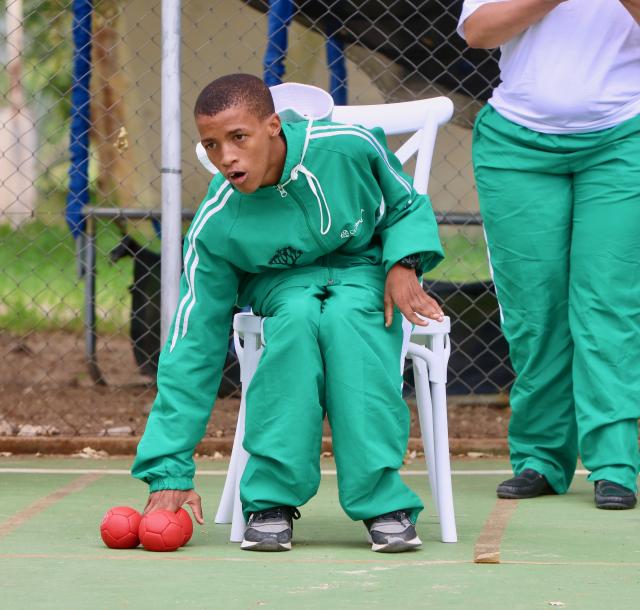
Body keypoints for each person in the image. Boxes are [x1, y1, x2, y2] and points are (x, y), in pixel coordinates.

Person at [131, 74, 445, 551]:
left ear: (273, 126)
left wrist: (405, 264)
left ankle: (383, 501)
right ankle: (270, 501)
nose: (226, 157)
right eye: (211, 145)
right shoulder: (217, 219)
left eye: (239, 138)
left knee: (349, 323)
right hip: (283, 287)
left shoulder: (349, 146)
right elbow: (193, 339)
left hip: (363, 273)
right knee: (297, 324)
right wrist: (168, 470)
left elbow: (405, 205)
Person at [458, 0, 640, 508]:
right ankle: (540, 457)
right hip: (516, 146)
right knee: (534, 310)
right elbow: (478, 30)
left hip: (624, 138)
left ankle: (615, 465)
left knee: (608, 304)